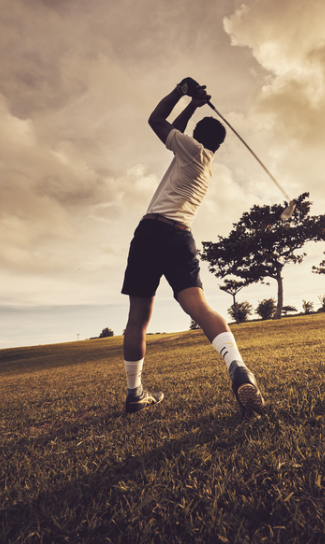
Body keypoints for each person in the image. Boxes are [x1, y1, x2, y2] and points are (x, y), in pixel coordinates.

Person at [120, 77, 265, 415]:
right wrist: (195, 106)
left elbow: (157, 121)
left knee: (137, 319)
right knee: (200, 308)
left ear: (196, 138)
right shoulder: (202, 162)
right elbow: (176, 131)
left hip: (151, 233)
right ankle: (238, 368)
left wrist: (181, 92)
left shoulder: (191, 150)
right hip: (180, 237)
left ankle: (134, 393)